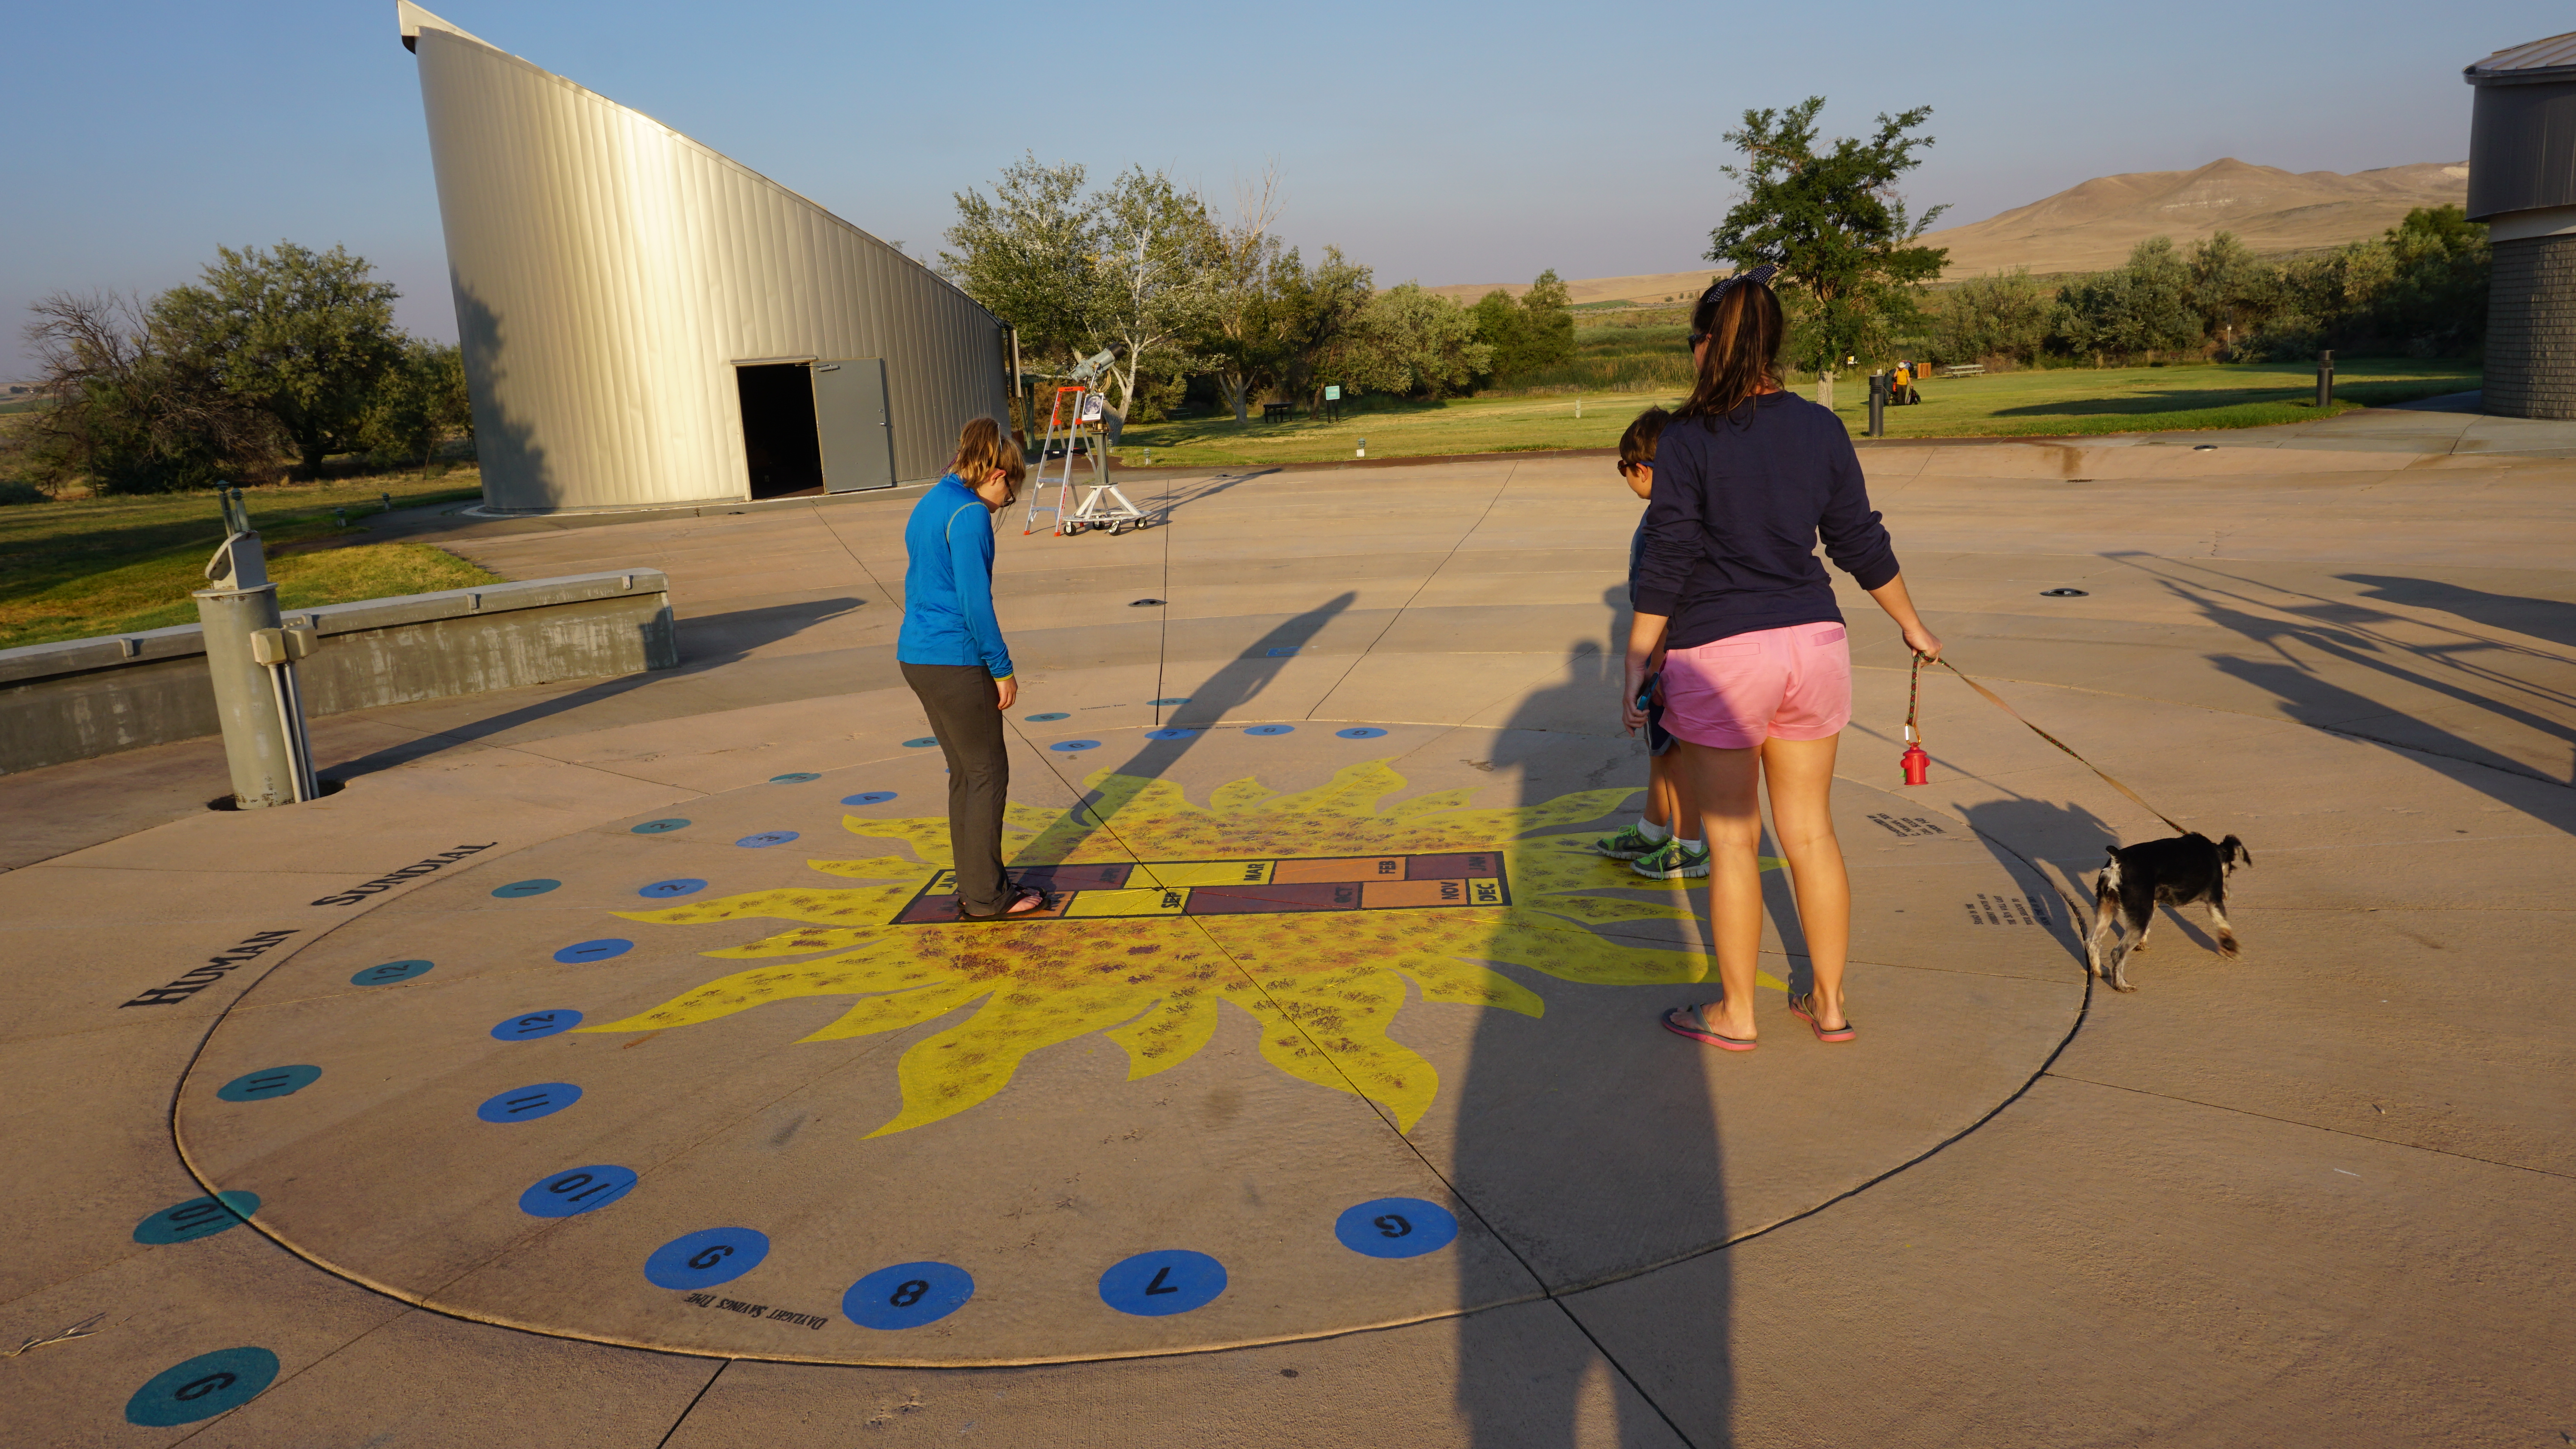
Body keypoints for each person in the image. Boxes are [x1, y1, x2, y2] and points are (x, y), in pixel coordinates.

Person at [1630, 267, 1942, 1050]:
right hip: (1814, 646)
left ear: (1710, 346)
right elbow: (1857, 540)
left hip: (1722, 655)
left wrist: (1638, 661)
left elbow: (1666, 557)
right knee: (1810, 835)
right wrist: (1912, 624)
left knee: (1735, 842)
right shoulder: (1820, 428)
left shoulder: (1689, 440)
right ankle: (1829, 1002)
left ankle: (1737, 1013)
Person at [898, 417, 1045, 919]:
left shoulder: (932, 501)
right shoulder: (969, 516)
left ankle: (976, 884)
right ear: (999, 475)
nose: (1008, 501)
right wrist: (1001, 667)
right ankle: (987, 897)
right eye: (1013, 488)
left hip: (917, 655)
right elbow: (974, 601)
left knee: (965, 774)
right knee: (987, 773)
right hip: (956, 658)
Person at [1593, 407, 1707, 879]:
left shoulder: (1666, 522)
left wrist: (1657, 669)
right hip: (1668, 654)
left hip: (1671, 656)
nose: (1626, 477)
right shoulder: (1677, 511)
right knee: (1661, 748)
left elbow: (1665, 599)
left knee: (1677, 752)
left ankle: (1690, 842)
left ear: (1641, 469)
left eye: (1624, 469)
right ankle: (1653, 828)